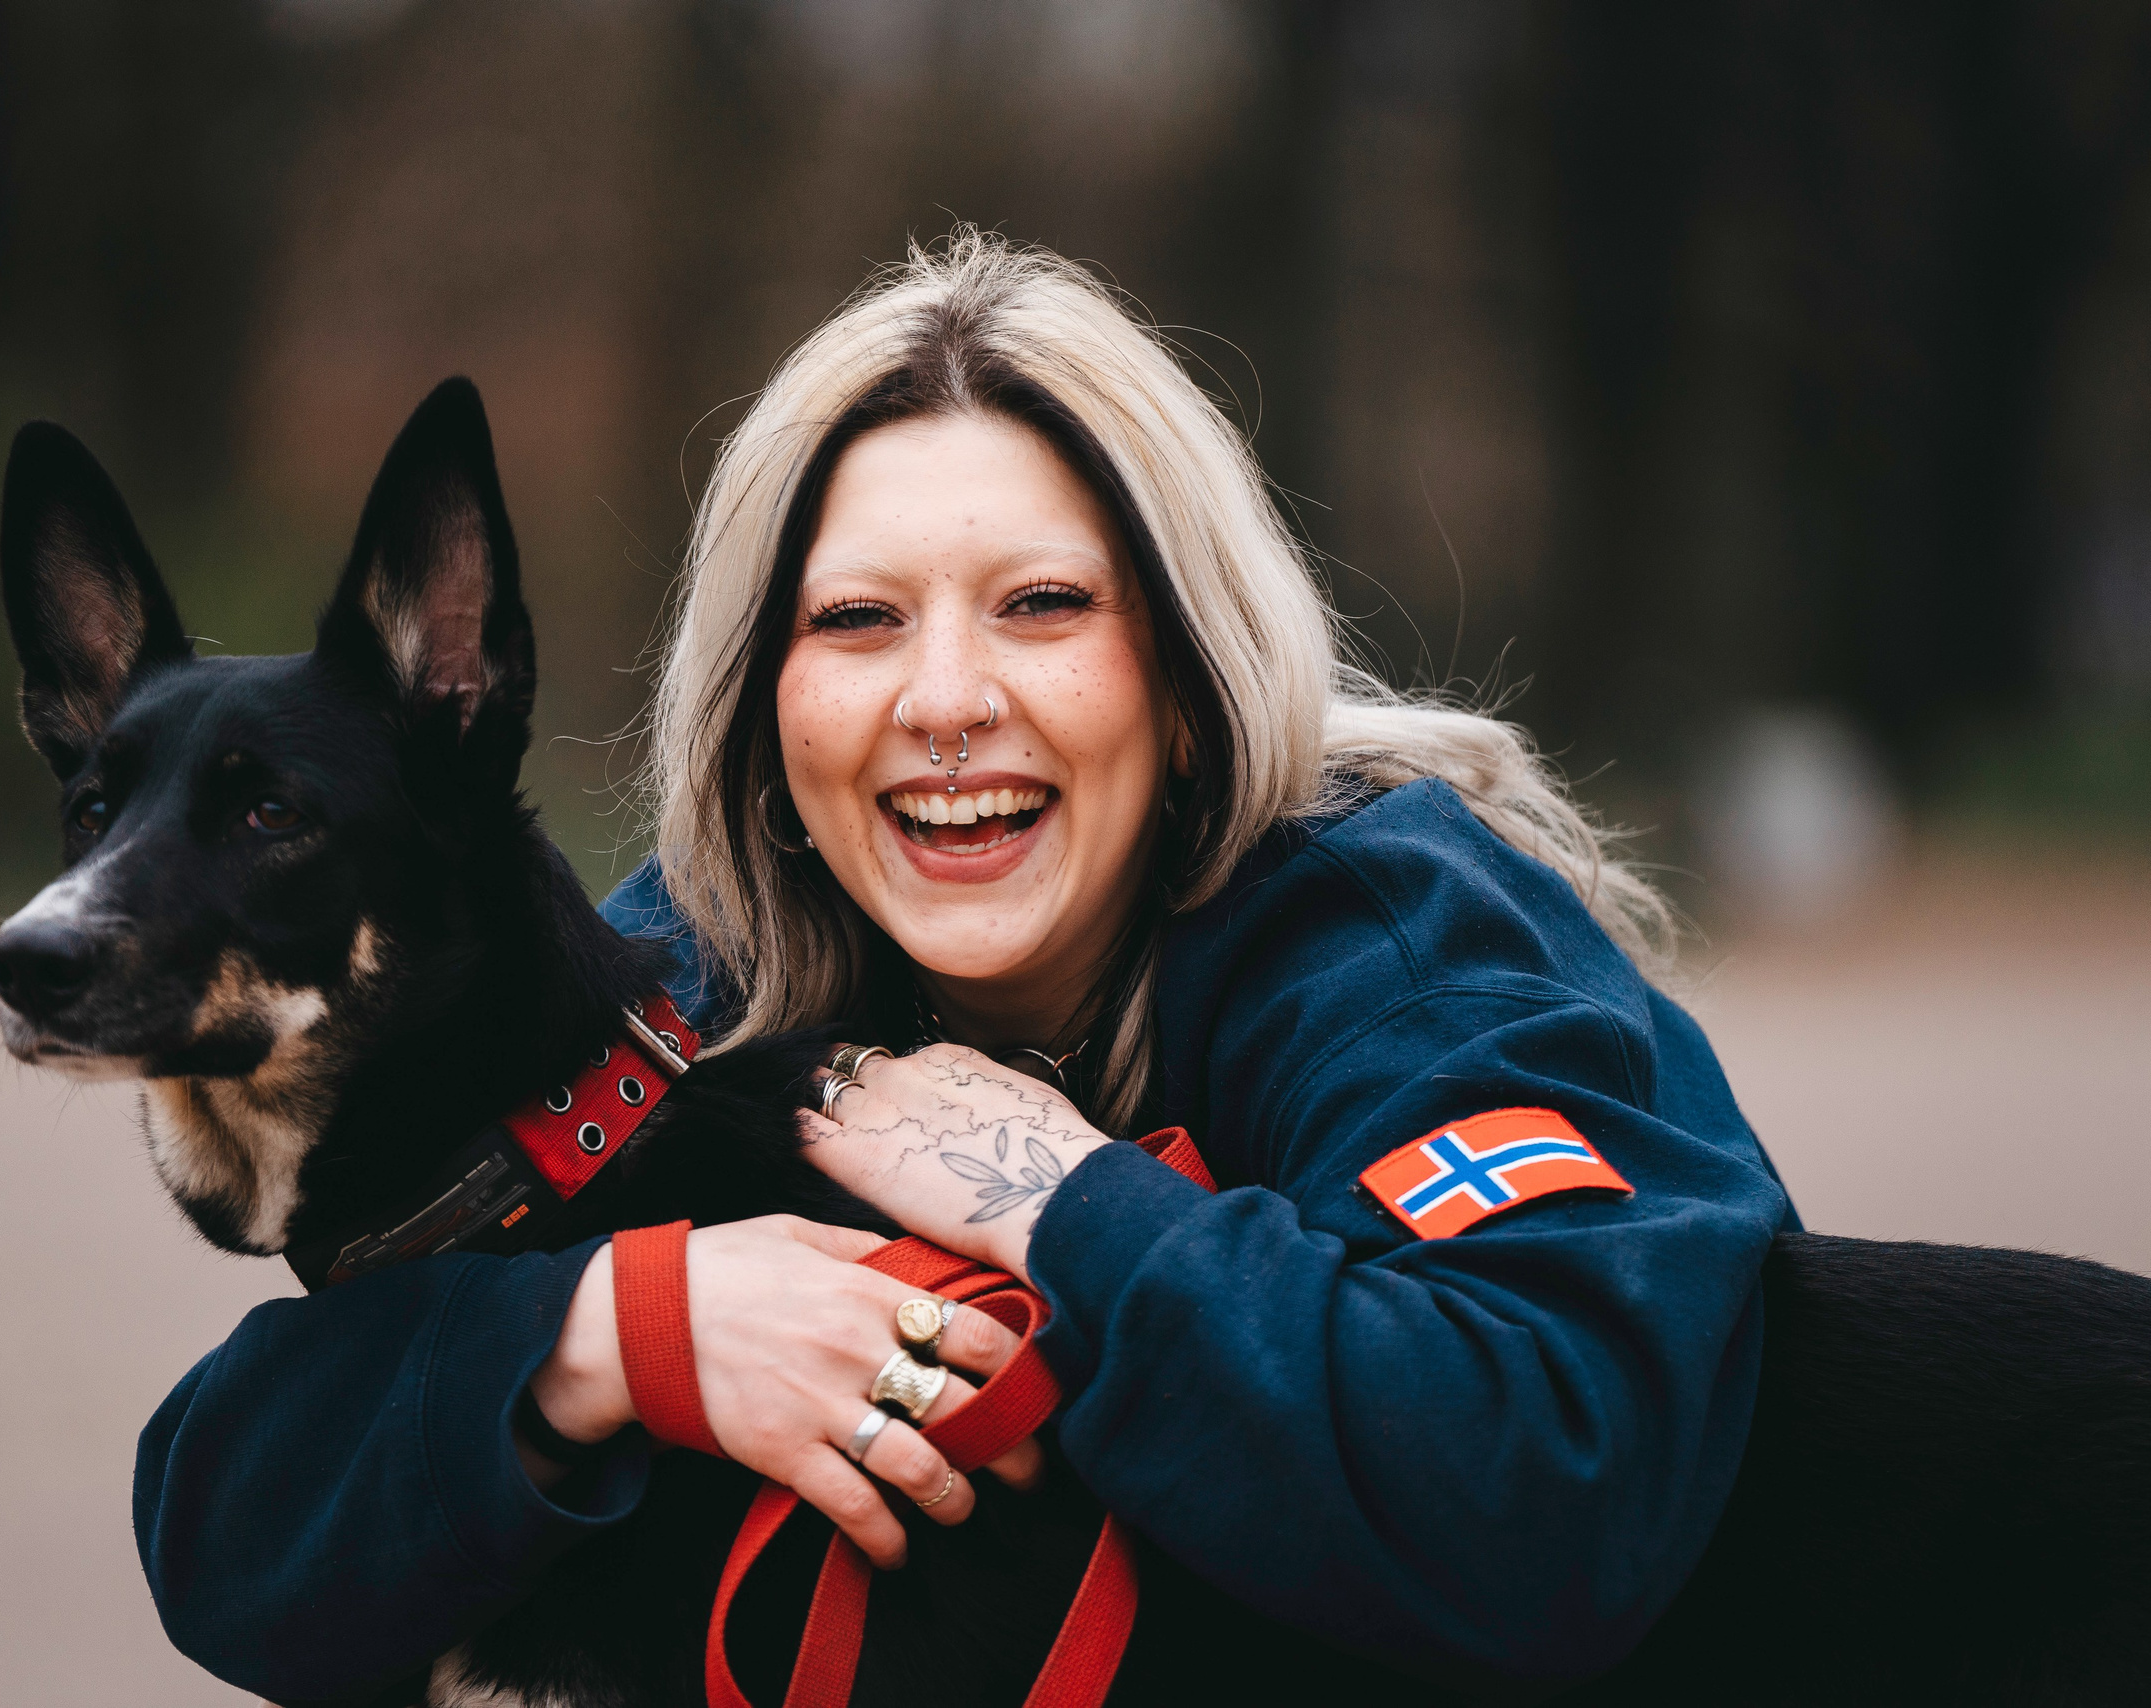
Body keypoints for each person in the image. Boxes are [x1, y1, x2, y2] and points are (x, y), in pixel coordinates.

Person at [134, 232, 1795, 1705]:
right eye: (857, 620)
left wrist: (1060, 1200)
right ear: (766, 711)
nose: (944, 699)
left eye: (1044, 605)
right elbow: (229, 1531)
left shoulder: (1395, 938)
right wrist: (624, 1326)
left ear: (1189, 668)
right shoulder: (688, 974)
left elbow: (1550, 1494)